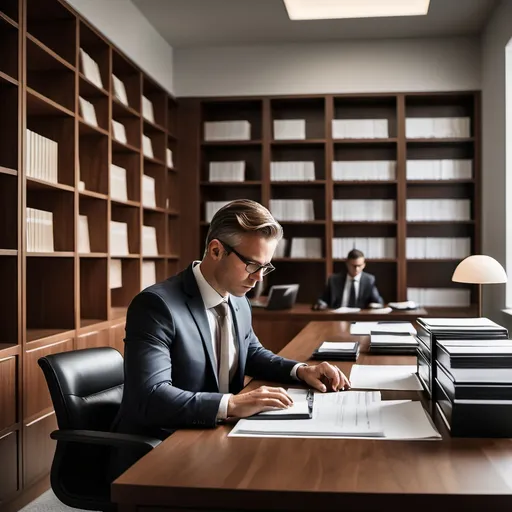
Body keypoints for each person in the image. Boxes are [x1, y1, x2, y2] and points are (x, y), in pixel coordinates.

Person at [112, 199, 350, 443]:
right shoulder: (156, 306)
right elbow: (151, 397)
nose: (258, 278)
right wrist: (231, 404)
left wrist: (301, 371)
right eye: (251, 265)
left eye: (265, 267)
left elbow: (251, 353)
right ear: (216, 251)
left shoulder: (238, 299)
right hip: (163, 444)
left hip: (216, 435)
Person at [313, 249, 384, 310]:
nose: (356, 269)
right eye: (353, 266)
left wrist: (373, 305)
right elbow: (322, 300)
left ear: (364, 265)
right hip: (337, 317)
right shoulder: (334, 280)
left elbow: (379, 302)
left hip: (360, 318)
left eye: (359, 266)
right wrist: (321, 304)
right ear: (347, 264)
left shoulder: (369, 280)